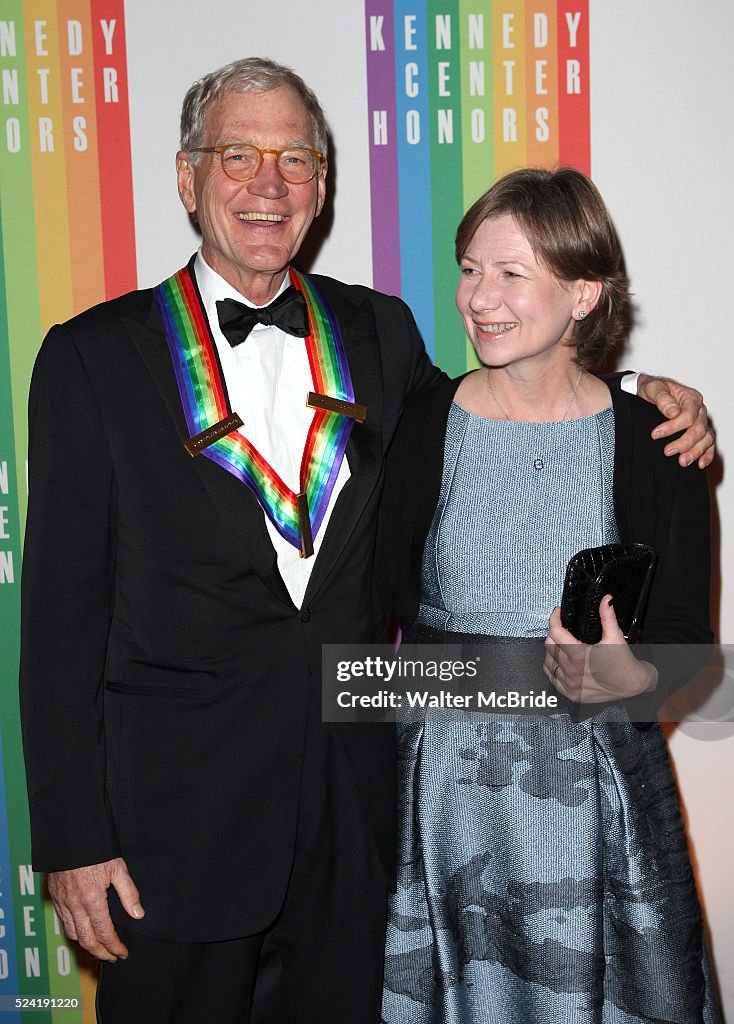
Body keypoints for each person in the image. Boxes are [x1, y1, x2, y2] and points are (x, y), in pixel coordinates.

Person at [17, 56, 712, 1023]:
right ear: (185, 177)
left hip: (364, 832)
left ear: (324, 185)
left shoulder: (378, 333)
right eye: (238, 155)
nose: (270, 184)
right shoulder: (91, 360)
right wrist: (71, 840)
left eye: (296, 158)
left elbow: (515, 402)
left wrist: (647, 393)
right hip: (173, 836)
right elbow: (57, 625)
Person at [378, 168, 721, 1023]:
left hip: (601, 807)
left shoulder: (657, 441)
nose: (477, 298)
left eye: (509, 273)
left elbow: (687, 649)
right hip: (441, 809)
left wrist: (632, 681)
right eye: (468, 269)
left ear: (582, 292)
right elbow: (372, 616)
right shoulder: (417, 424)